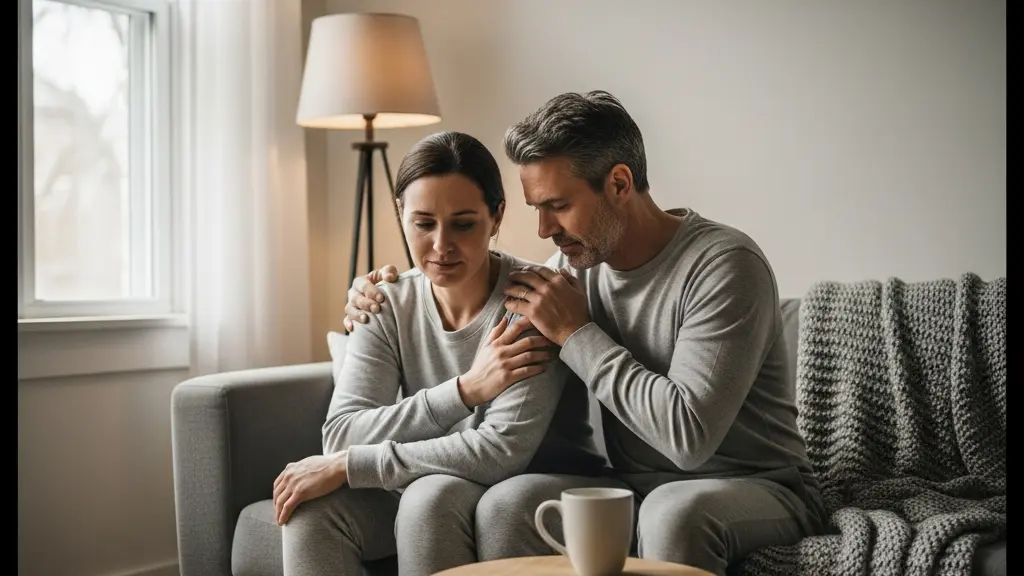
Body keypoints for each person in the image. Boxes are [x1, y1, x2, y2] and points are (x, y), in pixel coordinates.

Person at [343, 91, 828, 576]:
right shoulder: (571, 268)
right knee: (508, 504)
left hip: (758, 487)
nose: (542, 229)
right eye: (536, 207)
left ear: (619, 183)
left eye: (557, 205)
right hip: (629, 485)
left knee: (674, 514)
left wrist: (577, 333)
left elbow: (687, 438)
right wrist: (373, 293)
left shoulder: (723, 266)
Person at [272, 131, 606, 576]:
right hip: (435, 472)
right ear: (401, 215)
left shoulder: (534, 300)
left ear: (496, 216)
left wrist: (350, 465)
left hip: (532, 478)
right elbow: (341, 433)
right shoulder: (383, 302)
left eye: (463, 223)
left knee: (429, 497)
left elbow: (499, 451)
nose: (441, 245)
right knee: (308, 509)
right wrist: (465, 391)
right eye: (423, 223)